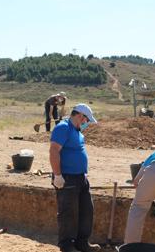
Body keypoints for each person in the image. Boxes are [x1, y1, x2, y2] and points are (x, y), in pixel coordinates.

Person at [49, 103, 100, 252]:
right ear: (79, 116)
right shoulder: (63, 128)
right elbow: (54, 151)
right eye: (86, 120)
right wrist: (58, 175)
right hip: (67, 178)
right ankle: (67, 246)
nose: (86, 123)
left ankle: (82, 243)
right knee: (68, 213)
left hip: (80, 177)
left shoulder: (77, 131)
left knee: (86, 211)